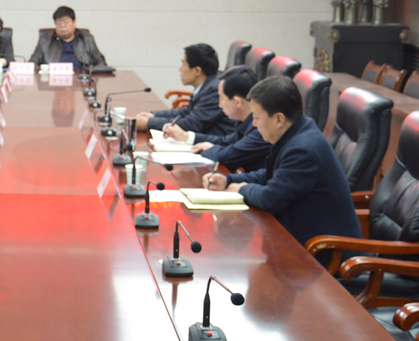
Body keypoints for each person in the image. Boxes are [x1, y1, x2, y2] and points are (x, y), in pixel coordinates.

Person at [205, 76, 362, 252]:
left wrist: (242, 189)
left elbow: (270, 199)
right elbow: (272, 175)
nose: (254, 124)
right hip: (303, 242)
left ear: (279, 119)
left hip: (327, 253)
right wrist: (229, 180)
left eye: (256, 117)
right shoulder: (298, 132)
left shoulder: (303, 149)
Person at [161, 65, 271, 172]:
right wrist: (186, 136)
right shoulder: (245, 121)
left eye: (221, 98)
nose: (219, 105)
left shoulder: (261, 128)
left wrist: (211, 148)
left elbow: (228, 156)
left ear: (237, 102)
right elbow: (225, 142)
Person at [134, 43, 235, 137]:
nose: (180, 69)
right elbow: (186, 112)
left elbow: (191, 124)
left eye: (183, 64)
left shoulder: (215, 90)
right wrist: (153, 115)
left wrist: (147, 124)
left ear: (197, 71)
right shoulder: (209, 84)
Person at [29, 6, 107, 68]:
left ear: (74, 23)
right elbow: (32, 64)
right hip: (53, 80)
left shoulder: (87, 39)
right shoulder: (45, 40)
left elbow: (101, 63)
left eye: (66, 23)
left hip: (81, 80)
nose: (62, 26)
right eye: (58, 23)